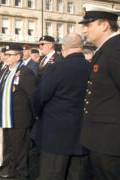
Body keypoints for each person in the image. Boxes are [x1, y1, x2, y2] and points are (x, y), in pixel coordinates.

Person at [32, 33, 92, 180]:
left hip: (55, 134)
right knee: (76, 175)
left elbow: (40, 96)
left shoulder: (58, 67)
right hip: (82, 132)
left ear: (63, 48)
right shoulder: (91, 67)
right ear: (81, 47)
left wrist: (37, 114)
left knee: (51, 174)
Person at [79, 4, 120, 179]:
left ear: (104, 25)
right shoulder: (105, 49)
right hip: (99, 139)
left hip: (110, 142)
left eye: (88, 25)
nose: (84, 30)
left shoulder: (115, 49)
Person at [0, 44, 37, 179]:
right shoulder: (7, 71)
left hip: (19, 118)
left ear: (18, 56)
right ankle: (12, 170)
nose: (5, 57)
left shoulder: (25, 72)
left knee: (20, 150)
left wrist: (34, 117)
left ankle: (22, 174)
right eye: (5, 54)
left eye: (9, 55)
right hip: (7, 116)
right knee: (11, 147)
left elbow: (33, 96)